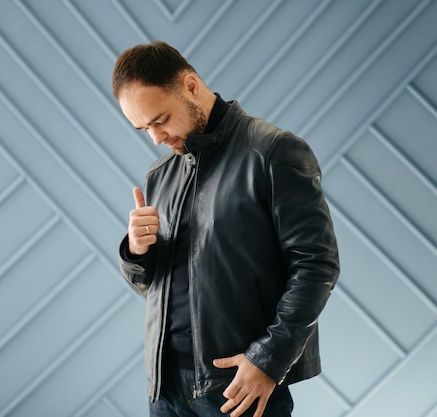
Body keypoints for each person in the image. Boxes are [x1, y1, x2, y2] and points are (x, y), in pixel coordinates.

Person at [113, 41, 339, 417]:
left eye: (161, 120)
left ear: (190, 86)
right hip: (165, 388)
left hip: (237, 387)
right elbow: (157, 289)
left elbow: (317, 266)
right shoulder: (160, 174)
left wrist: (268, 360)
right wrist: (138, 251)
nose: (156, 138)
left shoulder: (273, 152)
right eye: (143, 128)